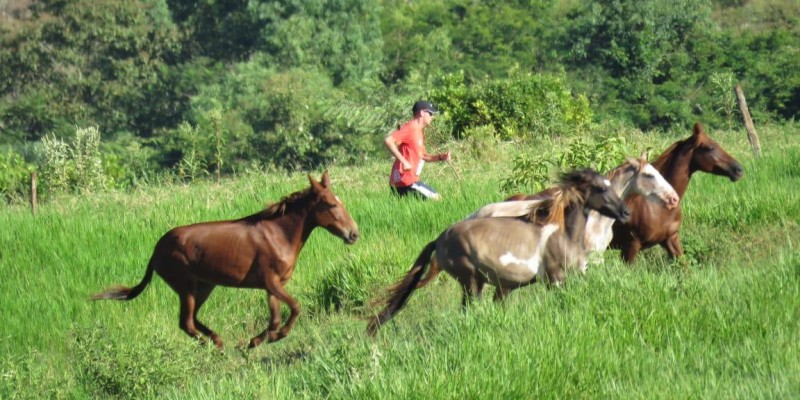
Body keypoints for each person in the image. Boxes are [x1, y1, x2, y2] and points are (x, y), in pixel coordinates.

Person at [384, 100, 451, 200]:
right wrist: (404, 162)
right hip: (406, 181)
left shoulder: (419, 131)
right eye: (430, 113)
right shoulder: (411, 127)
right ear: (422, 113)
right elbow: (388, 140)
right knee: (438, 200)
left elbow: (423, 156)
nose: (432, 117)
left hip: (403, 182)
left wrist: (441, 157)